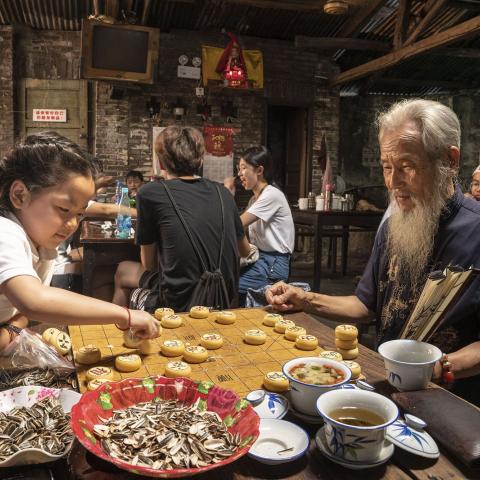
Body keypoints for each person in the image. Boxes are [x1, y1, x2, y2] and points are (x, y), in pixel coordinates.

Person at [266, 99, 480, 405]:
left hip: (452, 404)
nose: (393, 182)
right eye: (386, 167)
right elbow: (365, 305)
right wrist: (305, 299)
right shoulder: (395, 225)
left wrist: (439, 367)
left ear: (450, 160)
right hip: (385, 390)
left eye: (407, 166)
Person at [0, 132, 160, 352]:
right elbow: (34, 302)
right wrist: (125, 315)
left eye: (80, 213)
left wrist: (11, 328)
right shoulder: (5, 232)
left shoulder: (42, 245)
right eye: (64, 209)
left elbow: (24, 313)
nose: (73, 224)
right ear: (19, 195)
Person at [112, 126, 250, 312]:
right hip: (222, 296)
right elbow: (245, 250)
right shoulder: (223, 193)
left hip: (177, 301)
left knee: (122, 270)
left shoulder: (150, 193)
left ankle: (116, 331)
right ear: (200, 160)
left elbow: (149, 264)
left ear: (161, 162)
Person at [228, 146, 294, 306]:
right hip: (260, 258)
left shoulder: (272, 195)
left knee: (231, 287)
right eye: (238, 169)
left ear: (259, 170)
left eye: (243, 168)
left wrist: (227, 195)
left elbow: (236, 224)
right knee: (228, 279)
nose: (239, 174)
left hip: (274, 262)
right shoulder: (253, 200)